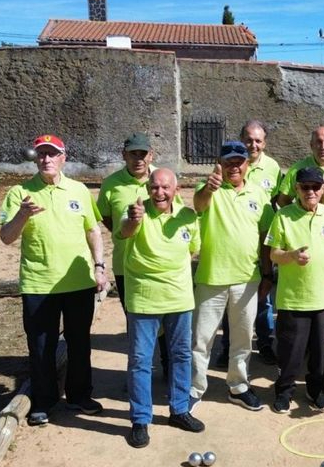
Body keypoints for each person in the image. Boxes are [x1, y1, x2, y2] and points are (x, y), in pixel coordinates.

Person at [0, 134, 107, 426]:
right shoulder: (19, 192)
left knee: (80, 342)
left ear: (63, 158)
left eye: (52, 154)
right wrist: (22, 214)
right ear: (35, 159)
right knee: (41, 347)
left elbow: (93, 230)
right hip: (39, 284)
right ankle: (43, 402)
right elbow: (7, 237)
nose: (46, 159)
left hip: (78, 282)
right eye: (41, 154)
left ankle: (79, 396)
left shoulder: (79, 190)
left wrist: (99, 265)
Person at [121, 168, 204, 448]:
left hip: (179, 299)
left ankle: (179, 410)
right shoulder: (136, 212)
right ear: (147, 190)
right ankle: (141, 420)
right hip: (144, 299)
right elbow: (124, 231)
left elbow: (192, 249)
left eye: (165, 188)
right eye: (154, 187)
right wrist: (134, 221)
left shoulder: (188, 216)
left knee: (181, 355)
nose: (160, 193)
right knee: (141, 360)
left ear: (176, 189)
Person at [190, 141, 274, 413]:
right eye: (228, 162)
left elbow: (266, 237)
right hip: (211, 277)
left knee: (242, 338)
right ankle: (194, 388)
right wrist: (209, 188)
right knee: (201, 338)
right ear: (220, 164)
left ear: (247, 165)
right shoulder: (210, 189)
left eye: (239, 161)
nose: (234, 166)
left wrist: (266, 273)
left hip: (246, 278)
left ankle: (238, 386)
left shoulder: (258, 195)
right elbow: (199, 205)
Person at [266, 167, 324, 413]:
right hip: (293, 299)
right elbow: (273, 254)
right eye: (305, 187)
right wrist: (290, 256)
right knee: (291, 353)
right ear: (296, 189)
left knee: (320, 353)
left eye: (315, 187)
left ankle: (315, 390)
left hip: (322, 298)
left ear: (323, 189)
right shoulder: (283, 217)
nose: (310, 192)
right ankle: (284, 391)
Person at [96, 133, 170, 375]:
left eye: (143, 154)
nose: (138, 159)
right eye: (133, 154)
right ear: (123, 155)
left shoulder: (163, 179)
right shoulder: (111, 184)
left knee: (166, 322)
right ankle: (141, 372)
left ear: (151, 155)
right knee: (137, 323)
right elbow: (107, 218)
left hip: (160, 265)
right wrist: (125, 232)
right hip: (126, 266)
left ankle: (169, 368)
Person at [216, 121, 281, 367]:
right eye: (249, 140)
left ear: (264, 143)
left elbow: (275, 203)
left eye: (258, 141)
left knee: (263, 299)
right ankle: (227, 347)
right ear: (241, 139)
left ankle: (265, 344)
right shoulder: (227, 166)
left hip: (260, 242)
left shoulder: (273, 168)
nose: (253, 145)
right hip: (232, 249)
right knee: (231, 304)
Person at [276, 126, 324, 207]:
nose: (323, 147)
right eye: (319, 142)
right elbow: (283, 201)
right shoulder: (297, 169)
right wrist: (298, 216)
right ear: (311, 145)